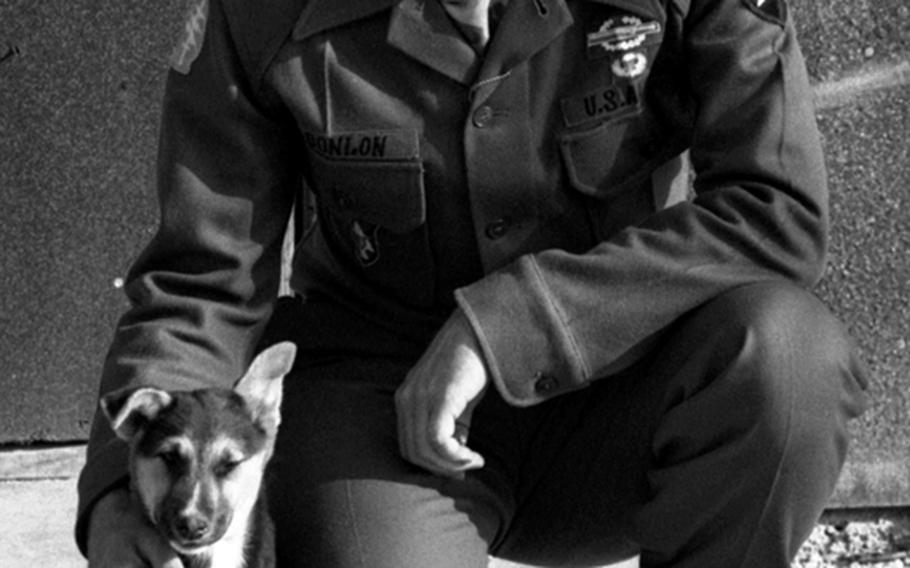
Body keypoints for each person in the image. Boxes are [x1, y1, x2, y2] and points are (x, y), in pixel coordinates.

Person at [77, 0, 869, 566]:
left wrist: (509, 327)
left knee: (788, 358)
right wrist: (120, 489)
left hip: (623, 398)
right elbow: (206, 274)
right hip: (380, 418)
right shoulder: (263, 14)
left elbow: (776, 212)